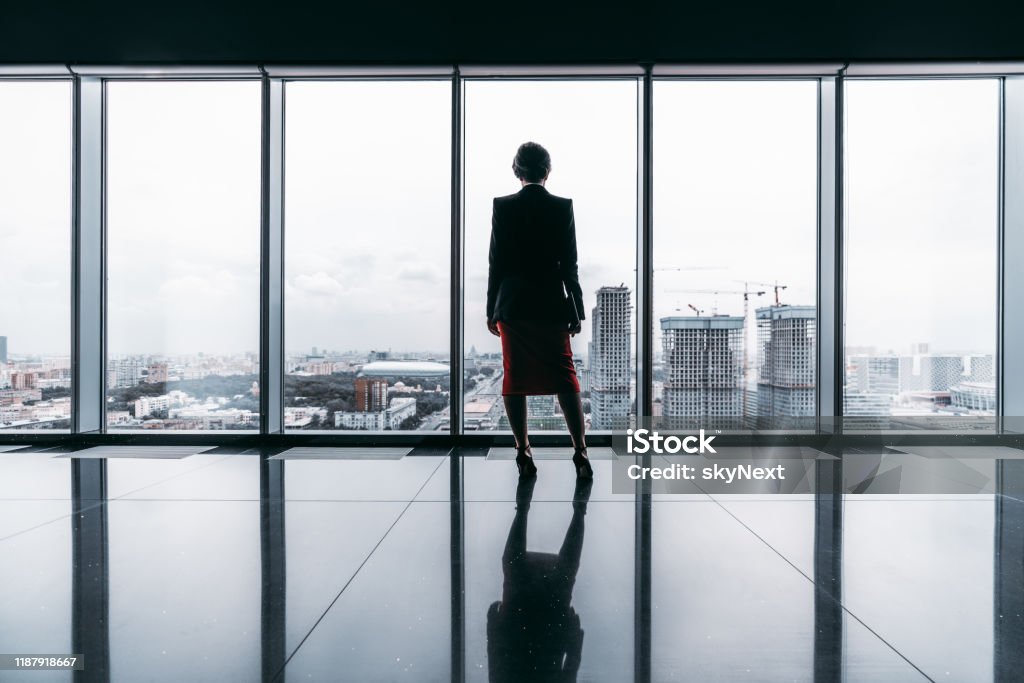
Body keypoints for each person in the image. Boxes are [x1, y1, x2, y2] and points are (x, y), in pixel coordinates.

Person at [486, 141, 592, 479]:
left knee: (514, 377)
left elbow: (496, 264)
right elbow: (570, 265)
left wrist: (492, 308)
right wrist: (575, 307)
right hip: (550, 304)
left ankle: (523, 450)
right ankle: (580, 450)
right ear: (548, 170)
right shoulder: (562, 207)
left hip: (514, 305)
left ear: (517, 171)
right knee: (565, 376)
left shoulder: (503, 206)